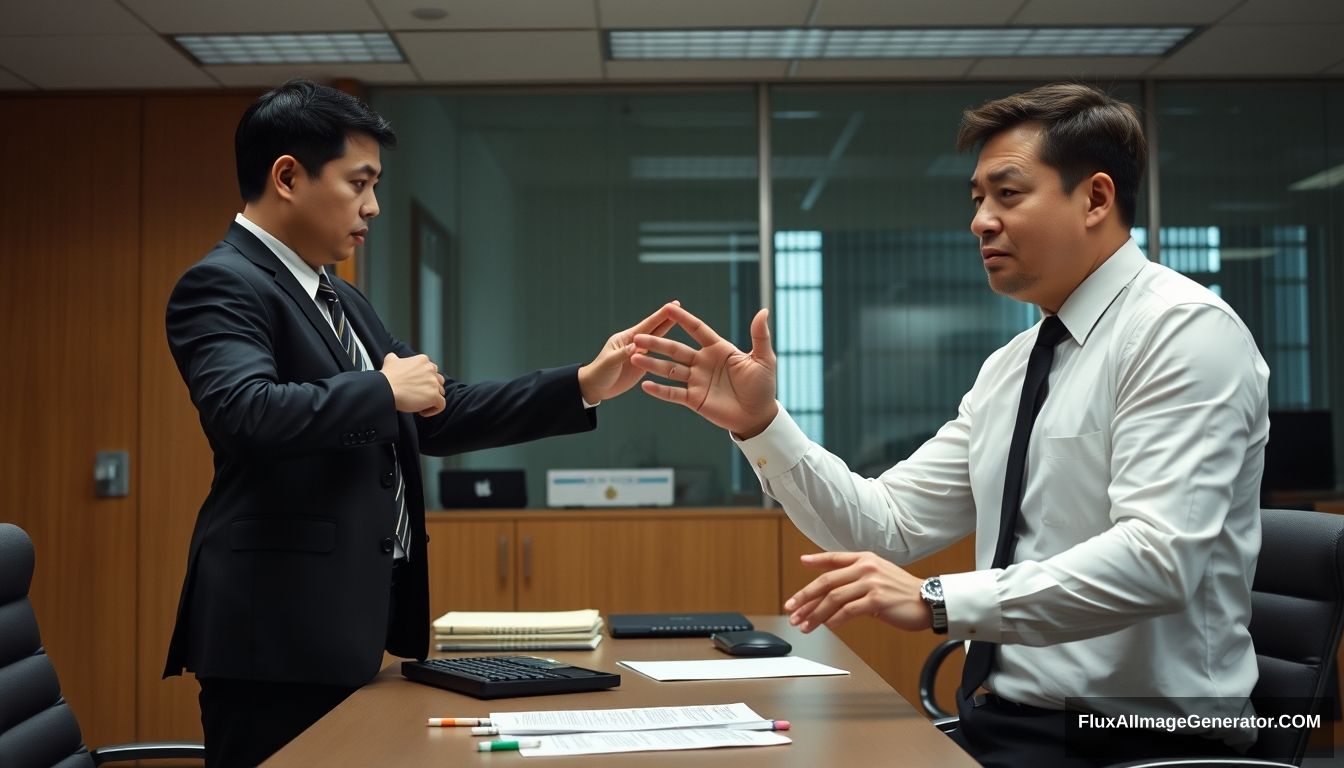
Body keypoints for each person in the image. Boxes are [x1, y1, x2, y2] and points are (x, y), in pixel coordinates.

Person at [632, 83, 1269, 767]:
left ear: (1096, 199)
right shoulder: (1015, 366)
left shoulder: (1181, 332)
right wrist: (762, 425)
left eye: (1008, 193)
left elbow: (1158, 559)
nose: (981, 221)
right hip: (1006, 724)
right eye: (977, 199)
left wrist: (939, 600)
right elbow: (884, 526)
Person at [162, 79, 674, 767]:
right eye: (359, 183)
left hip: (336, 633)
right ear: (288, 176)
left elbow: (435, 410)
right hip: (272, 644)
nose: (371, 207)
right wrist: (379, 387)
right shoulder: (222, 283)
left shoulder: (337, 295)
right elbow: (243, 412)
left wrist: (583, 384)